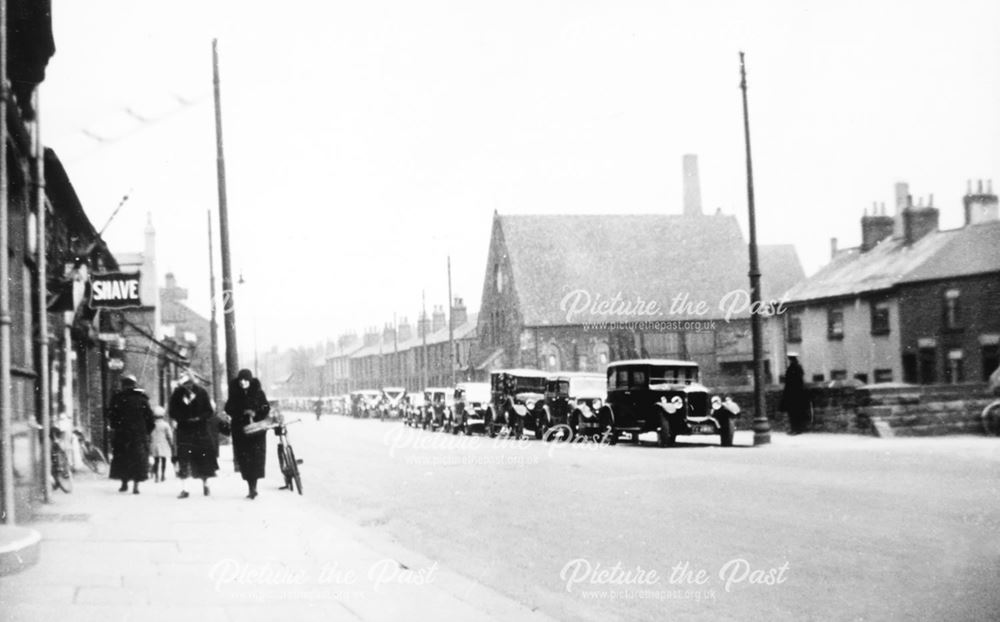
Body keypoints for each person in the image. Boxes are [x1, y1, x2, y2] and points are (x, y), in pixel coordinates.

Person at [168, 372, 218, 498]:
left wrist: (199, 418)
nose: (188, 386)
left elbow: (209, 411)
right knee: (183, 459)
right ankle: (185, 489)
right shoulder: (177, 394)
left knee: (204, 459)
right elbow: (172, 411)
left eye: (189, 383)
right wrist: (182, 419)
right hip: (184, 431)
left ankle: (206, 483)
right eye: (185, 384)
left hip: (200, 430)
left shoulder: (202, 393)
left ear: (193, 382)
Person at [226, 369, 271, 499]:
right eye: (241, 380)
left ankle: (254, 486)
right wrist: (242, 412)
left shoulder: (258, 393)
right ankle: (250, 486)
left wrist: (255, 413)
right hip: (241, 431)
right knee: (245, 459)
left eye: (246, 380)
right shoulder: (234, 394)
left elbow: (266, 407)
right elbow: (228, 408)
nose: (243, 383)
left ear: (250, 381)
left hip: (256, 431)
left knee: (256, 459)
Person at [107, 374, 155, 494]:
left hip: (122, 434)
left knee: (123, 458)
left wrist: (116, 427)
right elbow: (150, 418)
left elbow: (112, 415)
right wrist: (147, 431)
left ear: (123, 385)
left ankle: (124, 482)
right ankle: (136, 484)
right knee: (138, 459)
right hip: (138, 434)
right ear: (134, 385)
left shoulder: (118, 398)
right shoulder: (142, 399)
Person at [780, 353, 810, 435]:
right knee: (796, 412)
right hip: (797, 394)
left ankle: (796, 429)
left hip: (793, 394)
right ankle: (796, 429)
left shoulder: (793, 368)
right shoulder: (798, 367)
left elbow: (790, 382)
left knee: (794, 413)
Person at [149, 406, 174, 483]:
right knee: (164, 460)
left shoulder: (152, 425)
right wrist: (171, 443)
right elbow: (169, 435)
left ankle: (156, 476)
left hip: (154, 443)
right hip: (164, 444)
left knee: (156, 460)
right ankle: (163, 475)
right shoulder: (165, 425)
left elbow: (149, 434)